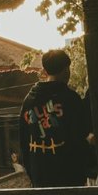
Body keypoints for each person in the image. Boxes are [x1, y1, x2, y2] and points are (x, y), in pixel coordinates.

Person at [17, 48, 93, 187]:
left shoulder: (29, 100)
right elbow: (81, 136)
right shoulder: (71, 99)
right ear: (66, 70)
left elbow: (23, 140)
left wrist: (32, 172)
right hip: (68, 177)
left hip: (39, 175)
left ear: (46, 70)